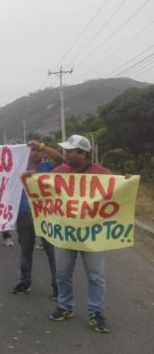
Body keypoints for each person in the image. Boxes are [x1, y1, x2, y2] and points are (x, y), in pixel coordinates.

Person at [47, 135, 116, 333]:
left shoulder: (102, 174)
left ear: (82, 154)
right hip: (65, 232)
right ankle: (65, 306)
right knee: (62, 273)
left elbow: (116, 195)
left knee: (96, 275)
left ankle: (96, 313)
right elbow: (46, 193)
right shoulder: (58, 171)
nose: (65, 154)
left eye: (70, 151)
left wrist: (125, 183)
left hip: (93, 234)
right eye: (66, 150)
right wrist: (29, 179)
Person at [13, 140, 63, 299]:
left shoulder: (49, 167)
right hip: (24, 216)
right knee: (25, 252)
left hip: (47, 215)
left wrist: (43, 146)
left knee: (52, 254)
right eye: (33, 150)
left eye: (39, 150)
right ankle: (25, 282)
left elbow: (62, 160)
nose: (36, 153)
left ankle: (57, 288)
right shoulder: (19, 168)